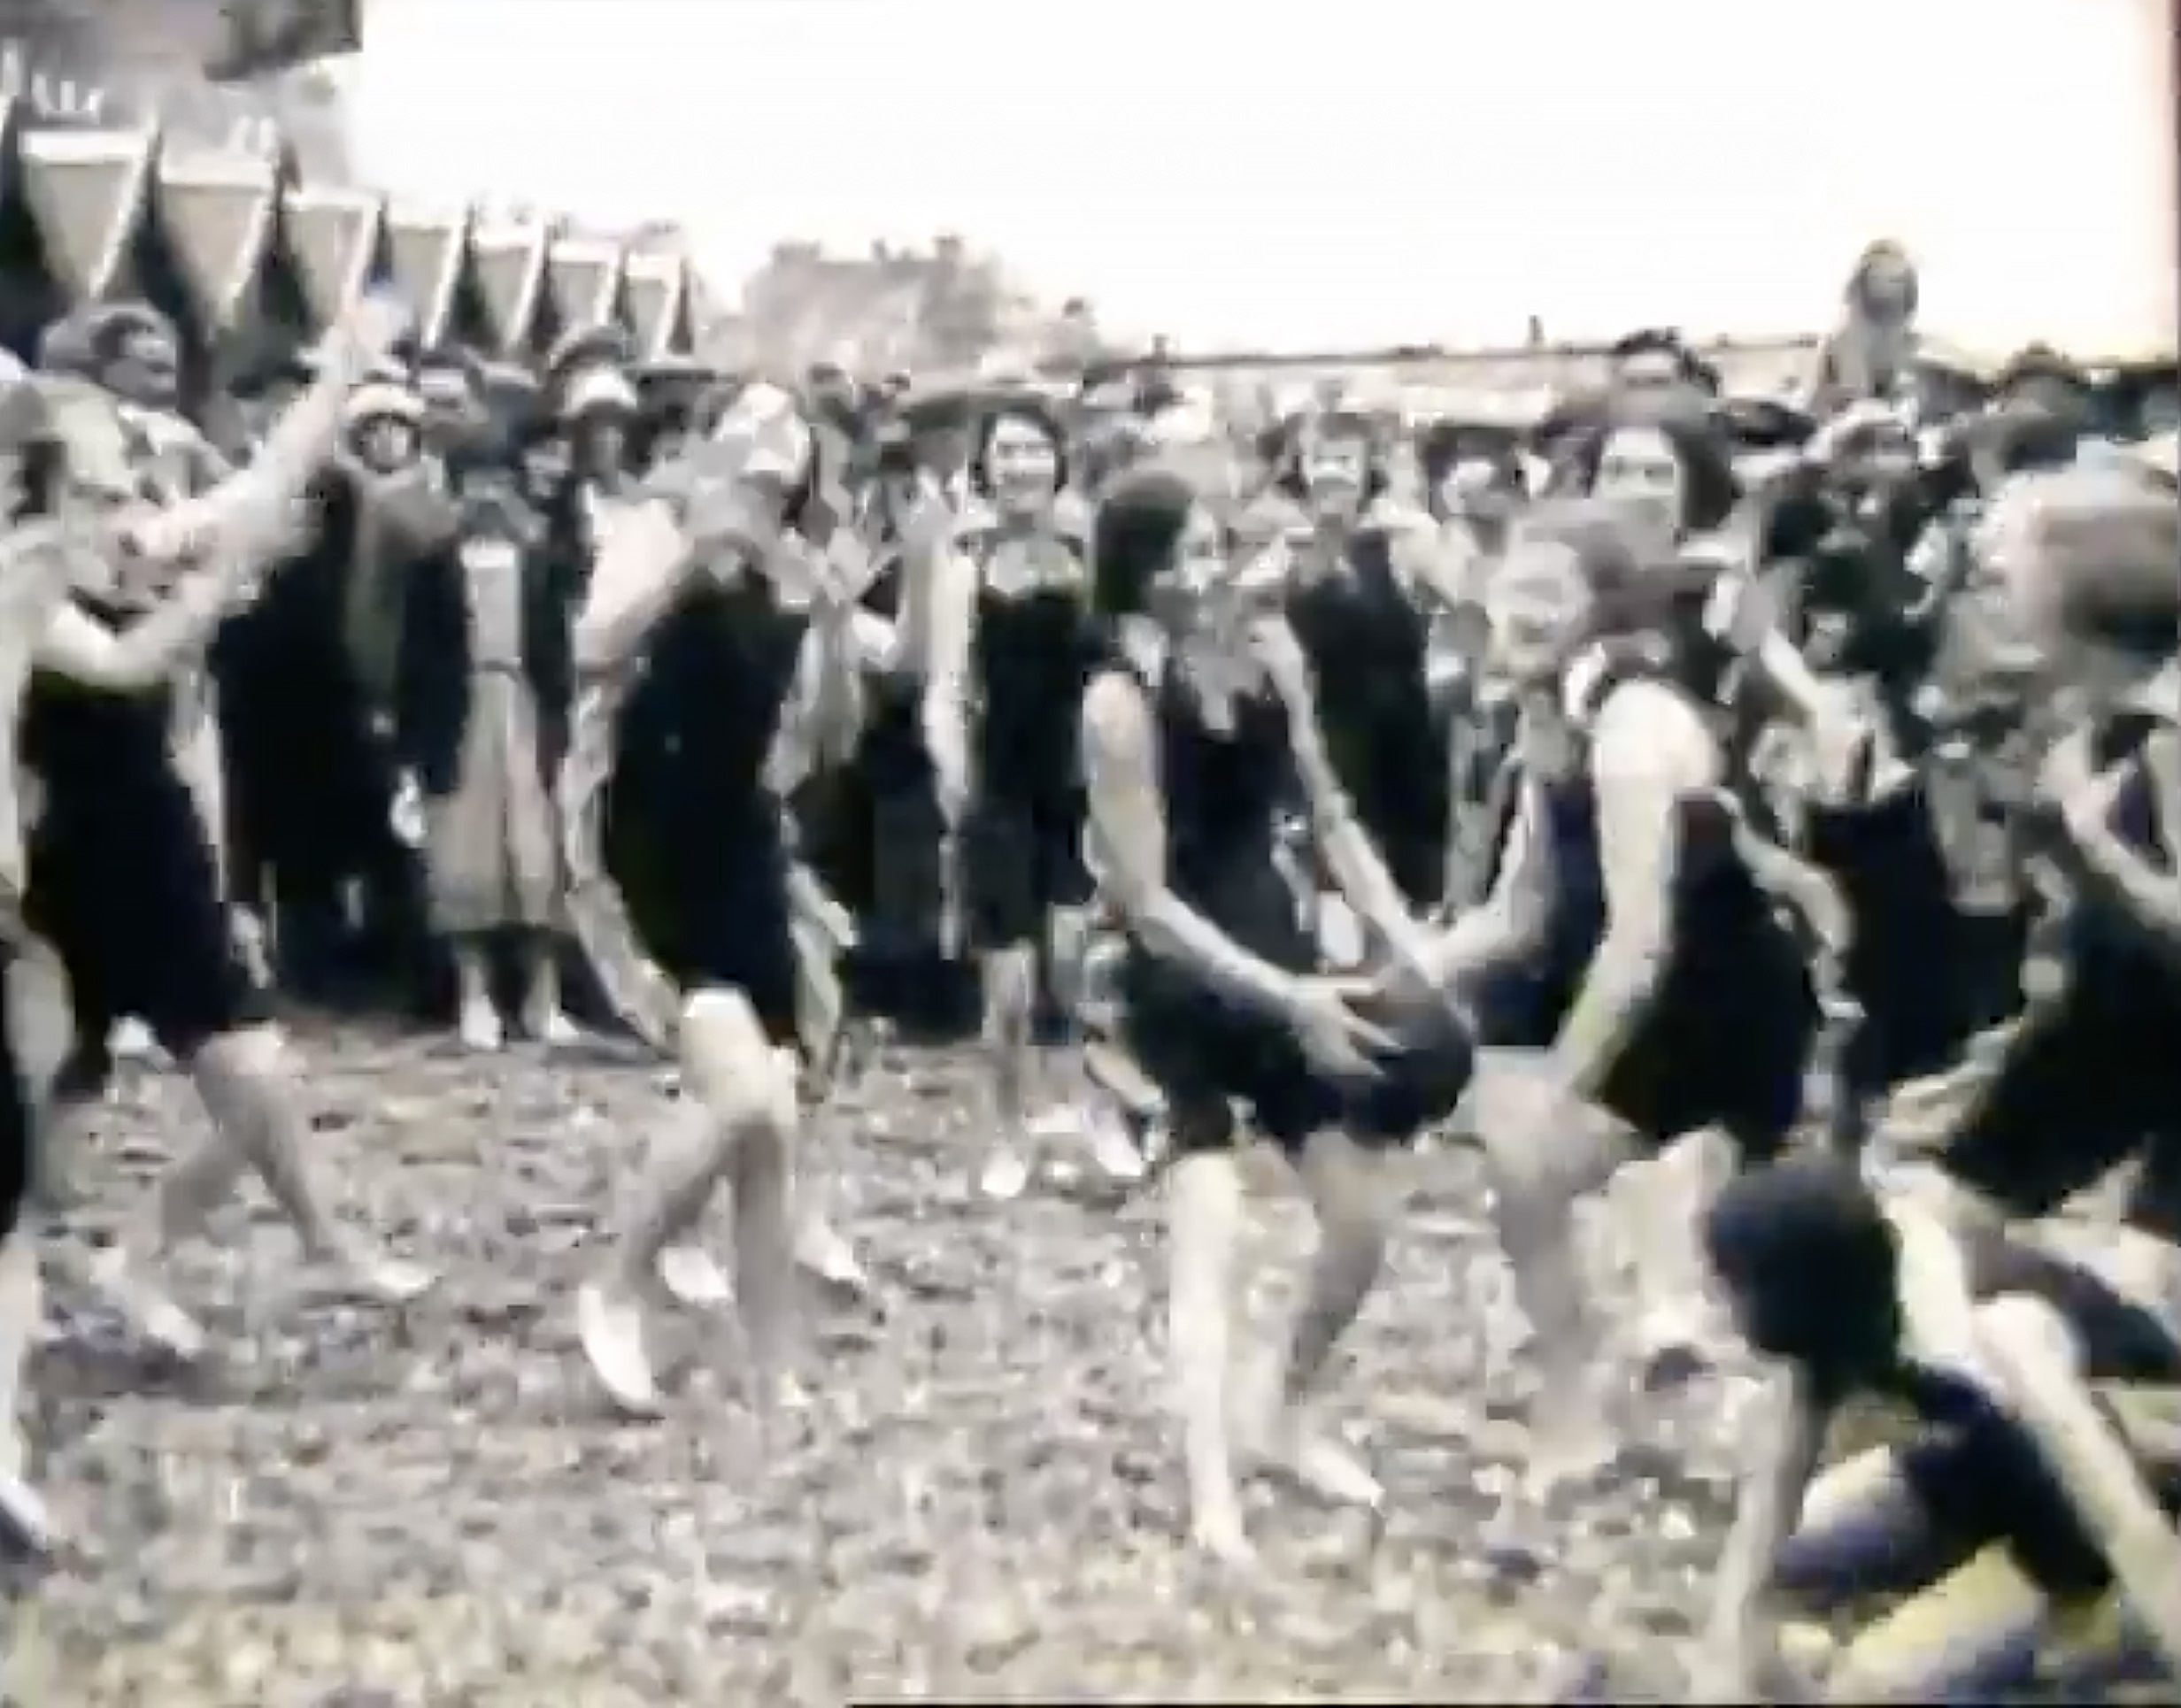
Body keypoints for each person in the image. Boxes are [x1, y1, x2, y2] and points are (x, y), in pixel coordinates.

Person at [1693, 466, 2181, 1697]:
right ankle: (2026, 1512)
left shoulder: (2157, 752)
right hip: (2113, 1136)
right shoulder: (2096, 747)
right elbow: (2101, 1008)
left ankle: (2110, 1579)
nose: (1966, 602)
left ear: (2083, 598)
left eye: (1998, 581)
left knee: (2000, 1325)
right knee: (1825, 1518)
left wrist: (2097, 851)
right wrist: (1981, 1078)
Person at [18, 289, 435, 1369]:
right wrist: (224, 582)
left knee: (250, 1077)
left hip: (134, 838)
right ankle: (68, 1297)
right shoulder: (29, 574)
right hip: (46, 854)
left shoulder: (124, 540)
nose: (126, 481)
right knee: (43, 1112)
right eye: (103, 464)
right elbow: (120, 662)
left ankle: (151, 1261)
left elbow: (258, 487)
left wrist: (339, 375)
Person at [1081, 465, 1474, 1566]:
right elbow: (1147, 902)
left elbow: (1332, 815)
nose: (1216, 573)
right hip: (1179, 988)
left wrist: (1412, 946)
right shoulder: (1115, 700)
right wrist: (1288, 993)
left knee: (1360, 1222)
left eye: (1218, 547)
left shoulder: (1269, 657)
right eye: (1190, 556)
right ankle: (1211, 1492)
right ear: (1140, 577)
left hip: (1286, 957)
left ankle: (1283, 1412)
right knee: (1210, 1235)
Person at [1416, 500, 1819, 1482]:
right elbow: (1518, 914)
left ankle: (1609, 1414)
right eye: (1512, 584)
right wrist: (1376, 983)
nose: (1520, 610)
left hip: (1734, 1002)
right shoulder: (1546, 718)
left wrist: (1566, 1081)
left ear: (1603, 610)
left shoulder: (1635, 723)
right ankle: (1584, 1404)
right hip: (1680, 991)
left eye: (1550, 592)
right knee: (1527, 1172)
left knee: (1548, 1168)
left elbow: (1639, 940)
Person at [566, 384, 867, 1418]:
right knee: (738, 1093)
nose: (769, 454)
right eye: (751, 428)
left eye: (788, 444)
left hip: (740, 838)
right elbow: (595, 646)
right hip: (645, 831)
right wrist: (698, 552)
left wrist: (831, 616)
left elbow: (830, 735)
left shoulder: (793, 566)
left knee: (773, 1121)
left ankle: (773, 1363)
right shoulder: (656, 525)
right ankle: (612, 1284)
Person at [918, 398, 1107, 1196]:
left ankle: (1095, 1114)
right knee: (1010, 986)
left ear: (1058, 461)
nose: (1022, 465)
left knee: (1080, 964)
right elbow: (944, 686)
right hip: (1000, 785)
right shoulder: (966, 563)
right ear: (985, 467)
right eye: (1006, 452)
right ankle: (1008, 1131)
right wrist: (953, 772)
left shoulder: (1086, 556)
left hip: (1079, 783)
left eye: (1035, 450)